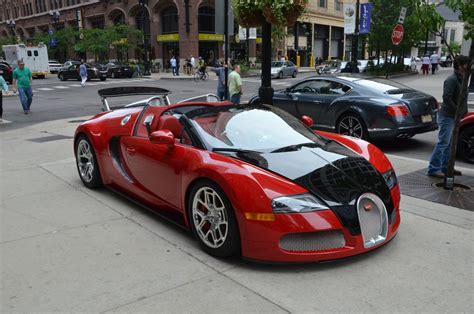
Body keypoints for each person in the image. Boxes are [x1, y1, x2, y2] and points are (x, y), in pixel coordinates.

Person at [427, 55, 470, 178]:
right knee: (443, 143)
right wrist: (457, 111)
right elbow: (447, 97)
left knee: (449, 144)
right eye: (467, 64)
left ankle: (446, 167)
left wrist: (463, 111)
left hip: (454, 116)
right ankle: (433, 169)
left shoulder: (462, 79)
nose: (469, 66)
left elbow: (463, 98)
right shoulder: (452, 80)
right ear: (461, 65)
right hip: (448, 116)